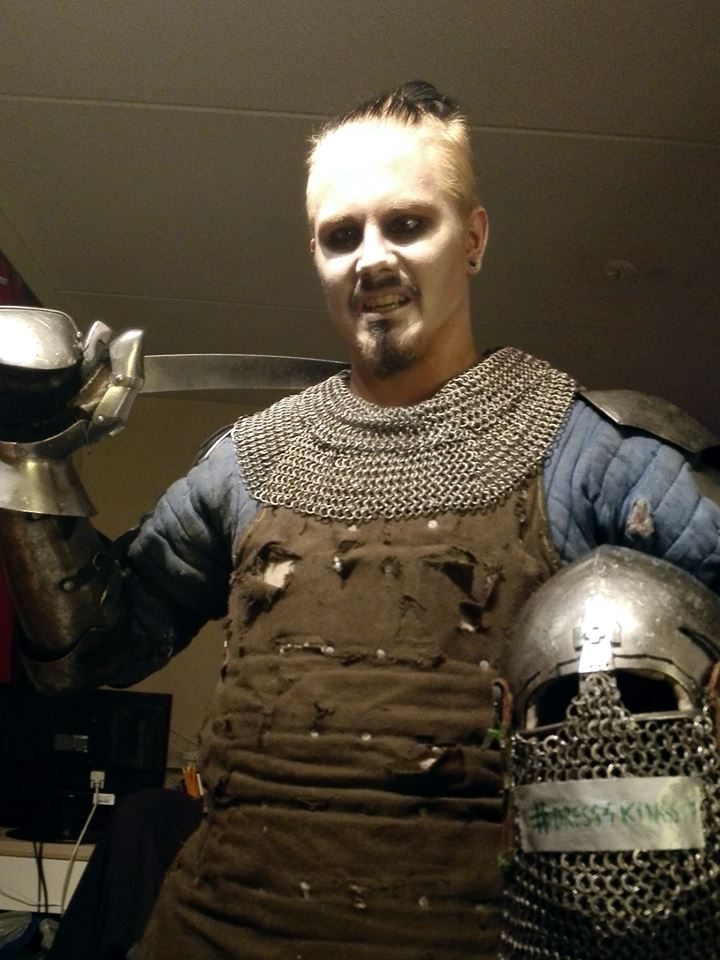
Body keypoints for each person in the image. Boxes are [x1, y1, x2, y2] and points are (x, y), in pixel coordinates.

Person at [0, 80, 718, 959]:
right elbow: (88, 654)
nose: (371, 259)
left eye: (407, 224)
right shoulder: (250, 461)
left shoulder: (590, 453)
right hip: (209, 935)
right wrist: (28, 461)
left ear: (474, 239)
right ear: (316, 253)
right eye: (343, 235)